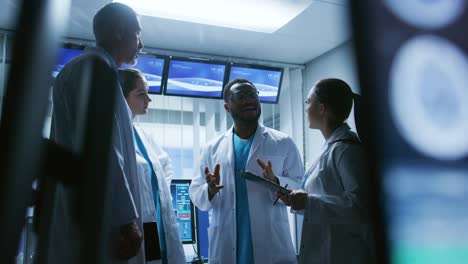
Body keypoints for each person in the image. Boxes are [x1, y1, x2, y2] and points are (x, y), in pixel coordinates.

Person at [49, 3, 145, 263]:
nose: (141, 43)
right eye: (137, 34)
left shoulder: (93, 71)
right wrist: (127, 222)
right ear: (118, 31)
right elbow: (103, 151)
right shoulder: (92, 71)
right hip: (99, 223)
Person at [189, 78, 304, 264]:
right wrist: (209, 190)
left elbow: (300, 186)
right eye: (241, 96)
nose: (249, 100)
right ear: (227, 107)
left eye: (253, 95)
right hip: (227, 247)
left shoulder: (283, 143)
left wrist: (277, 181)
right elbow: (195, 192)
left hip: (272, 246)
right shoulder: (212, 148)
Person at [267, 78, 375, 264]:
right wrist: (297, 201)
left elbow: (360, 207)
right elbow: (325, 203)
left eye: (308, 102)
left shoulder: (346, 150)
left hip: (343, 255)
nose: (306, 107)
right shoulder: (331, 147)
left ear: (322, 108)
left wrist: (309, 202)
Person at [119, 68, 186, 264]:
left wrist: (155, 191)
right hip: (134, 227)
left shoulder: (142, 136)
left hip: (157, 224)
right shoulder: (113, 135)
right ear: (121, 97)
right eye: (141, 94)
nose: (148, 99)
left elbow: (165, 164)